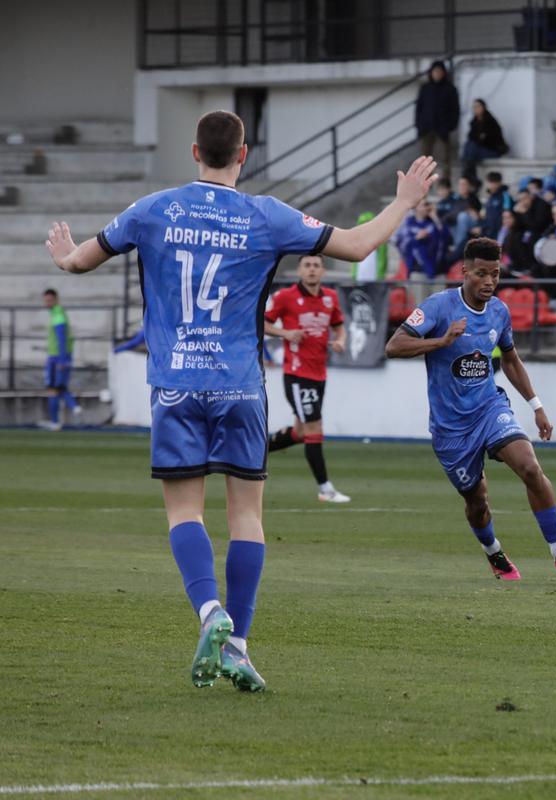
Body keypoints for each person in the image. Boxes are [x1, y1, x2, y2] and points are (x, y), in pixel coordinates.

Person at [44, 110, 437, 691]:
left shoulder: (153, 209)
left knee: (184, 512)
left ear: (194, 151)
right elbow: (355, 247)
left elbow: (80, 261)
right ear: (243, 154)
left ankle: (210, 612)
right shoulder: (267, 215)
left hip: (175, 384)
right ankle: (239, 646)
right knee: (247, 515)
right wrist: (403, 201)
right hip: (240, 385)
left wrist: (63, 254)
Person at [384, 237, 556, 580]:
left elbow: (510, 358)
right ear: (464, 271)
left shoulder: (499, 311)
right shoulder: (438, 306)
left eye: (495, 274)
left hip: (489, 408)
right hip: (451, 427)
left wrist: (536, 406)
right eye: (481, 273)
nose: (490, 281)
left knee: (530, 467)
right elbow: (394, 345)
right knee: (477, 502)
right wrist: (441, 341)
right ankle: (494, 553)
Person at [262, 255, 350, 503]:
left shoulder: (330, 297)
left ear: (323, 271)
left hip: (319, 373)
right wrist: (286, 333)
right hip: (297, 375)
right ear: (299, 270)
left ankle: (251, 452)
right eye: (307, 265)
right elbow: (263, 324)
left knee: (301, 432)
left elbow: (339, 326)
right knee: (314, 428)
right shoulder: (285, 297)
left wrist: (340, 341)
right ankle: (325, 489)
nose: (312, 269)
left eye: (316, 266)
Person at [39, 288, 79, 430]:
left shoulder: (58, 314)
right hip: (56, 356)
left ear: (56, 299)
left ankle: (67, 412)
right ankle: (70, 409)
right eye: (46, 300)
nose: (47, 303)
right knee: (57, 387)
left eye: (49, 300)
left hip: (57, 357)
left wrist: (62, 360)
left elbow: (62, 338)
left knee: (54, 388)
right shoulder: (56, 313)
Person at [415, 61, 460, 171]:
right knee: (424, 160)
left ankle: (445, 180)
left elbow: (455, 109)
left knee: (444, 157)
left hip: (442, 129)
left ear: (444, 73)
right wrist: (419, 126)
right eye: (435, 71)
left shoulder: (450, 89)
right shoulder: (425, 88)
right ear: (431, 73)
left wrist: (450, 126)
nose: (437, 74)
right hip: (426, 129)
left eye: (439, 71)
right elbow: (419, 108)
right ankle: (425, 181)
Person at [394, 200, 446, 279]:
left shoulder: (432, 223)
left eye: (427, 205)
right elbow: (400, 241)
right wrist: (416, 238)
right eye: (424, 205)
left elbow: (444, 237)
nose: (427, 208)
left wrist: (435, 217)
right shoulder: (408, 222)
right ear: (416, 207)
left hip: (433, 267)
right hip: (415, 269)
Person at [461, 99, 509, 182]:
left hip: (492, 150)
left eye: (478, 106)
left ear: (483, 107)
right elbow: (472, 137)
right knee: (468, 147)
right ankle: (470, 176)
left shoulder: (490, 122)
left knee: (471, 150)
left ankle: (469, 176)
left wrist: (481, 139)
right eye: (474, 107)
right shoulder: (474, 122)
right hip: (478, 150)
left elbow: (491, 140)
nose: (476, 109)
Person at [482, 171, 512, 239]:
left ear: (499, 183)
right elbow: (485, 215)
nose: (492, 185)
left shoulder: (505, 196)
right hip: (488, 231)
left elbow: (507, 214)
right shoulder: (489, 197)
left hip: (499, 232)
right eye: (490, 182)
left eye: (494, 182)